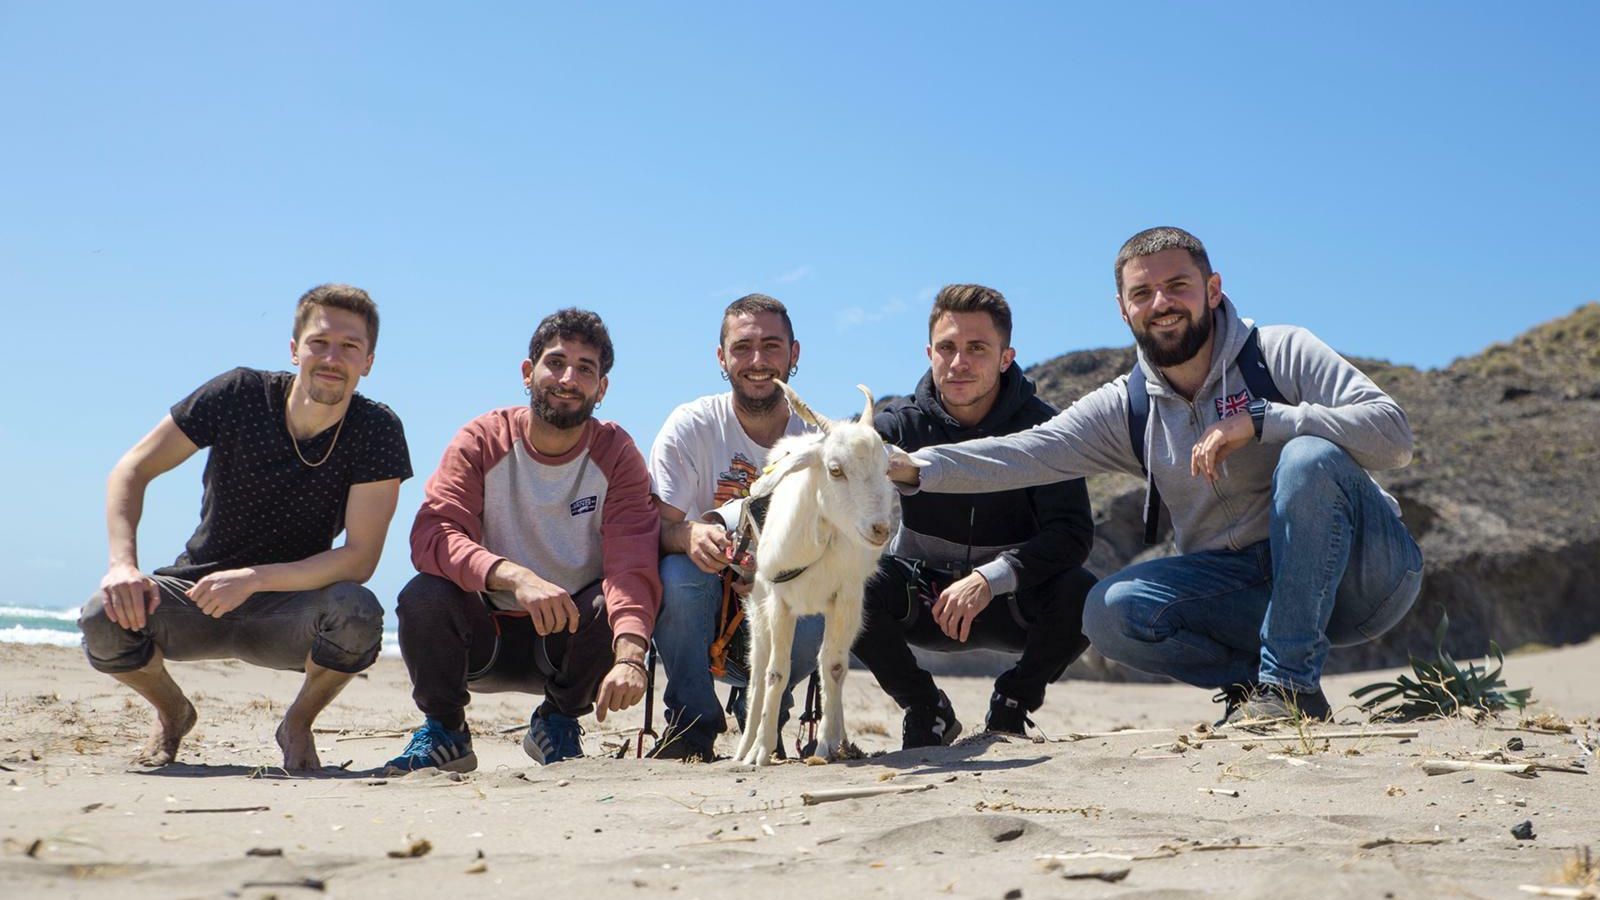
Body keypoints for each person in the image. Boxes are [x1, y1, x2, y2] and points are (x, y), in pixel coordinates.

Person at [889, 228, 1423, 723]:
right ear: (1122, 310)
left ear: (1212, 290)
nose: (1161, 304)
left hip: (1364, 580)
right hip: (1246, 590)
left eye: (1177, 286)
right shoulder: (1130, 407)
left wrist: (1265, 421)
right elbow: (1026, 452)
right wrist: (916, 467)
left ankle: (1289, 686)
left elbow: (1394, 435)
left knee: (1309, 456)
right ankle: (1262, 691)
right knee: (1109, 612)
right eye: (1142, 294)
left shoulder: (1278, 352)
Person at [79, 284, 411, 770]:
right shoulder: (239, 394)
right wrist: (122, 565)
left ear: (369, 362)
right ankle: (173, 712)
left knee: (357, 614)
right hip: (194, 594)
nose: (332, 357)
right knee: (101, 617)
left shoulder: (376, 429)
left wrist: (255, 578)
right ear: (295, 348)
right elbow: (132, 469)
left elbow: (359, 558)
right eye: (319, 342)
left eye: (350, 346)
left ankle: (296, 723)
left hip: (287, 611)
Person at [385, 309, 660, 773]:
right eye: (556, 362)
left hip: (563, 645)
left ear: (602, 388)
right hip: (482, 636)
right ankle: (446, 731)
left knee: (607, 604)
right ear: (528, 372)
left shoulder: (616, 454)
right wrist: (514, 577)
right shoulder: (482, 439)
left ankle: (557, 723)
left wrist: (632, 656)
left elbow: (632, 561)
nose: (568, 379)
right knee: (424, 593)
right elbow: (433, 534)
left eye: (585, 369)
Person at [854, 284, 1098, 748]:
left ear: (1006, 357)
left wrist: (991, 578)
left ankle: (1014, 701)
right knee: (850, 583)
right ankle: (926, 708)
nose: (959, 362)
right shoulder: (901, 424)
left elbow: (1071, 534)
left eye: (977, 348)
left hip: (1009, 600)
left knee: (1084, 594)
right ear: (929, 353)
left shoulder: (1046, 430)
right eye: (947, 348)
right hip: (925, 597)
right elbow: (849, 460)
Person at [645, 294, 825, 761]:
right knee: (676, 575)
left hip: (781, 601)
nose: (758, 361)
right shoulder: (691, 426)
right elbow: (656, 531)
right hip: (703, 607)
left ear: (795, 353)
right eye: (742, 347)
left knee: (814, 601)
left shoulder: (820, 444)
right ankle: (691, 725)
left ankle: (765, 713)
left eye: (772, 346)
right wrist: (687, 535)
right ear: (720, 356)